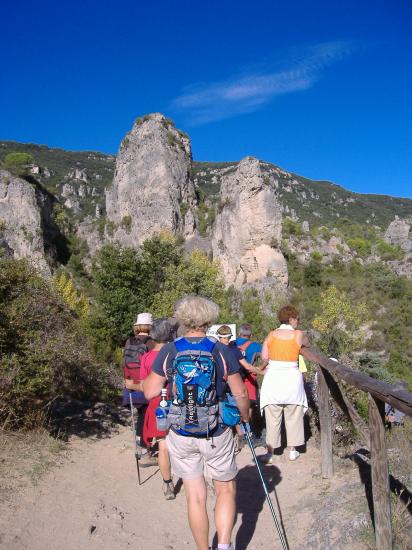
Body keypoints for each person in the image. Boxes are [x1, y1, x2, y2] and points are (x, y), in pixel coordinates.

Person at [143, 296, 250, 550]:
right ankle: (224, 545)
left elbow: (149, 391)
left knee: (194, 496)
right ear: (209, 319)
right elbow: (240, 393)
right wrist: (244, 417)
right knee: (225, 490)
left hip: (181, 432)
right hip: (216, 431)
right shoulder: (220, 350)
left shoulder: (170, 350)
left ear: (182, 319)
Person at [259, 305, 310, 463]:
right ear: (291, 319)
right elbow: (307, 345)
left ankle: (270, 453)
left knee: (272, 417)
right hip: (291, 378)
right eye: (297, 318)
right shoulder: (298, 335)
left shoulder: (272, 335)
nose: (298, 322)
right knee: (293, 415)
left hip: (273, 377)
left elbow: (264, 356)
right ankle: (293, 450)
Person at [140, 318, 176, 499]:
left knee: (163, 446)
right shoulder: (175, 353)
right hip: (177, 401)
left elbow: (144, 385)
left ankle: (168, 484)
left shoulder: (146, 357)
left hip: (156, 404)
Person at [216, 325, 262, 450]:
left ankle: (233, 438)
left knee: (224, 412)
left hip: (218, 386)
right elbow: (246, 366)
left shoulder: (213, 349)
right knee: (238, 409)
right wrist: (262, 371)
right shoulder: (233, 350)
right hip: (234, 383)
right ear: (230, 336)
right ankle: (245, 436)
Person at [123, 312, 156, 466]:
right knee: (146, 417)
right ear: (150, 326)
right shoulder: (151, 343)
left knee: (141, 415)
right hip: (145, 384)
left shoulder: (129, 341)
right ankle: (145, 451)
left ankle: (139, 443)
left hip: (130, 384)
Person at [234, 323, 263, 436]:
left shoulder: (232, 344)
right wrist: (260, 368)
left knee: (235, 404)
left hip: (234, 378)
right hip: (249, 378)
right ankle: (247, 430)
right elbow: (266, 357)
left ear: (239, 333)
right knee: (249, 405)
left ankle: (239, 431)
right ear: (250, 335)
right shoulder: (256, 346)